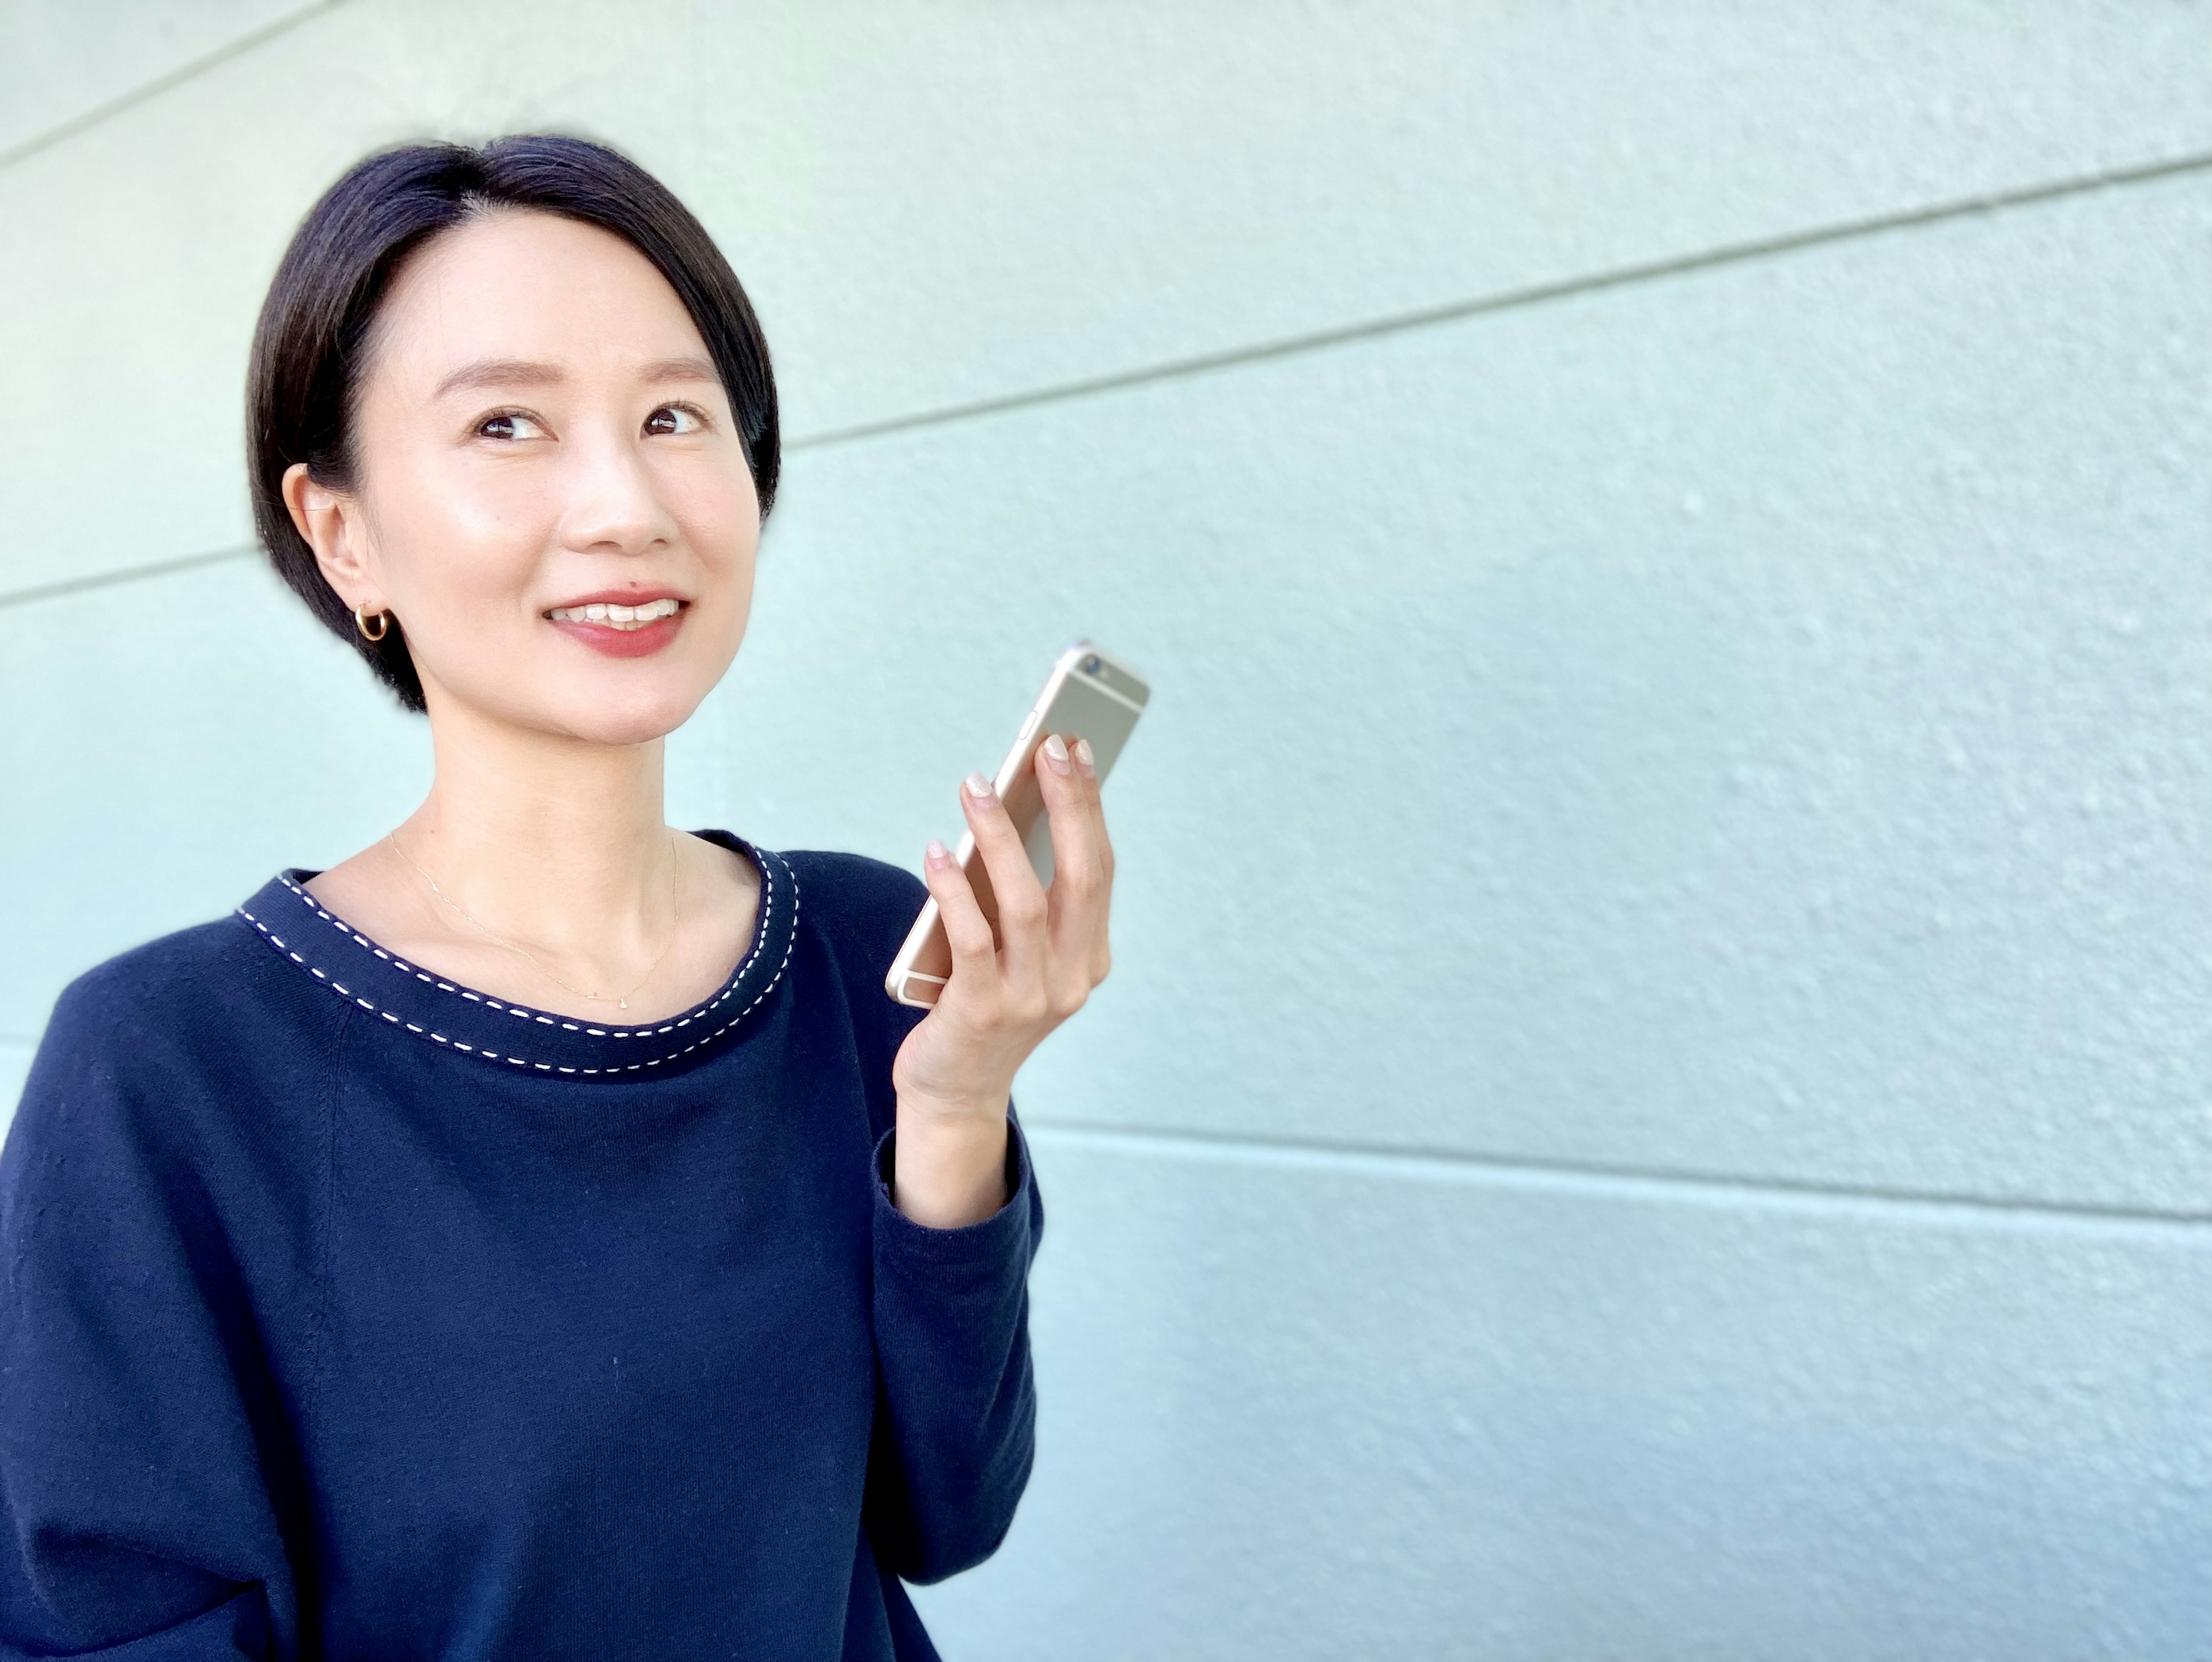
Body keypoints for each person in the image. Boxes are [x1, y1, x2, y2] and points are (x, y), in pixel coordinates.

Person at [0, 134, 1116, 1661]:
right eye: (510, 424)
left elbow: (948, 1514)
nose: (623, 503)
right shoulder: (168, 1069)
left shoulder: (870, 954)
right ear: (344, 532)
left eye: (674, 415)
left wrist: (957, 1107)